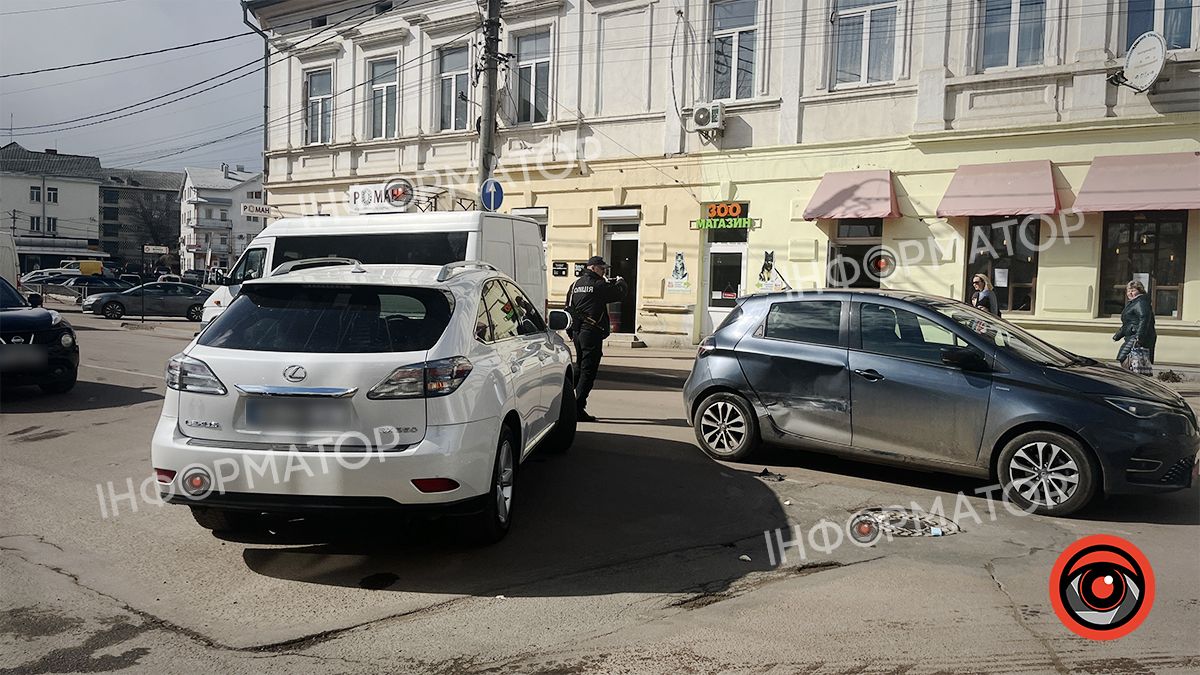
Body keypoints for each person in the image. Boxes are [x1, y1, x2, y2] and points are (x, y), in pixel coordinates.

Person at [566, 255, 628, 422]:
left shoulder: (575, 285)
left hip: (578, 332)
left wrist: (572, 331)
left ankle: (566, 401)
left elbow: (568, 308)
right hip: (591, 333)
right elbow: (620, 293)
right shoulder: (598, 285)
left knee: (580, 366)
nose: (604, 272)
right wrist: (620, 281)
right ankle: (577, 408)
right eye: (602, 269)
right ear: (592, 268)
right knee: (588, 371)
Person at [1114, 279, 1156, 368]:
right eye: (1128, 291)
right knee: (1128, 360)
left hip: (1137, 337)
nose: (1130, 293)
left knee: (1128, 360)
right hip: (1133, 336)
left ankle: (1134, 379)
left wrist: (1139, 337)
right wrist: (1118, 335)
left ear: (1140, 291)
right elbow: (1128, 323)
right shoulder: (1134, 303)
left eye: (1133, 291)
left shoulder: (1141, 302)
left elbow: (1144, 319)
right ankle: (1133, 378)